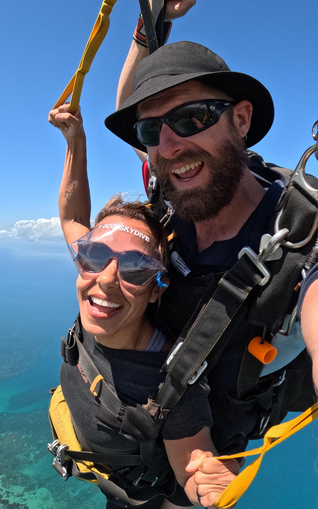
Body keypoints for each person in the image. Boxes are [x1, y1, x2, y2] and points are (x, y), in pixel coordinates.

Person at [103, 4, 318, 508]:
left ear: (241, 120)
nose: (168, 144)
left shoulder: (303, 239)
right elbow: (131, 103)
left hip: (201, 469)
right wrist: (149, 25)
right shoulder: (173, 181)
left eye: (191, 117)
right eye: (150, 131)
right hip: (137, 450)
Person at [48, 103, 240, 508]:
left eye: (135, 269)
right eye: (94, 256)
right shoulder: (95, 276)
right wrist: (75, 142)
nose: (105, 279)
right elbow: (71, 215)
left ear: (157, 288)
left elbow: (194, 471)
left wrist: (213, 485)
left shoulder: (171, 386)